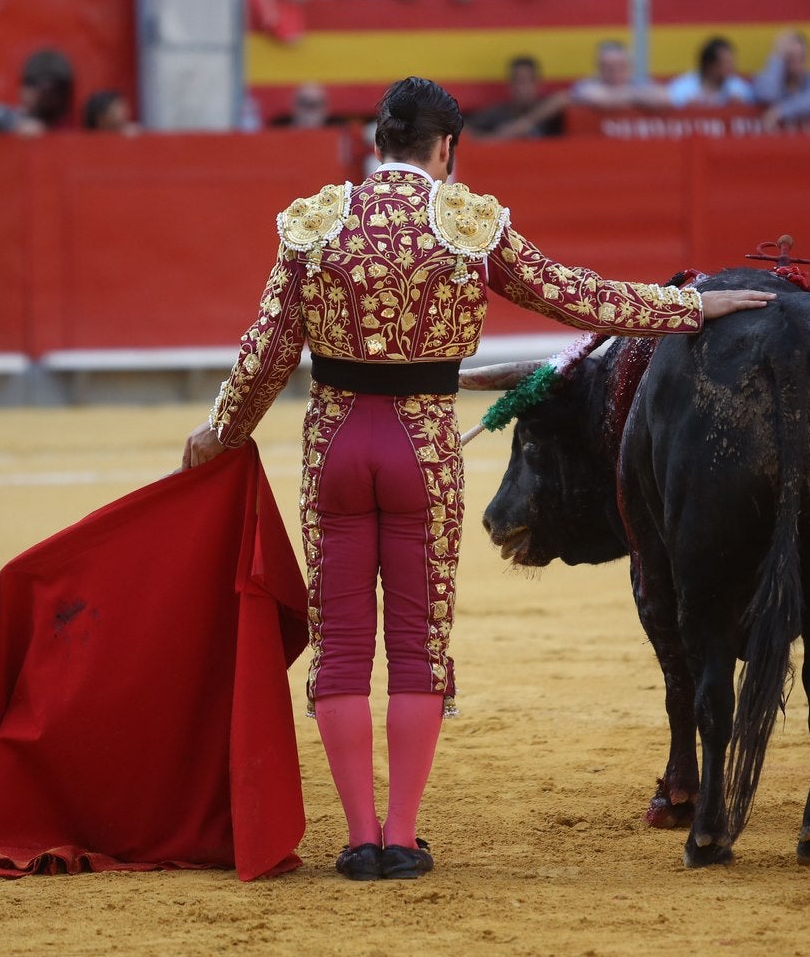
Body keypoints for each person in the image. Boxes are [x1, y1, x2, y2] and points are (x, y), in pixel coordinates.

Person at [180, 76, 776, 880]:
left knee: (346, 644)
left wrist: (220, 428)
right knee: (419, 643)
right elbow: (577, 297)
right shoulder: (466, 223)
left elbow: (267, 350)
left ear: (375, 142)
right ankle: (403, 836)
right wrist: (690, 310)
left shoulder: (315, 221)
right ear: (447, 148)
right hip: (423, 447)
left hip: (334, 450)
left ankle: (359, 839)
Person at [752, 29, 810, 132]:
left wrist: (780, 111)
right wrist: (777, 56)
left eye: (801, 57)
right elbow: (766, 94)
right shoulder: (768, 79)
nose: (797, 62)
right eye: (791, 57)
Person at [468, 55, 567, 140]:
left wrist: (525, 123)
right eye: (518, 81)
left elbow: (565, 98)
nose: (522, 88)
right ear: (510, 85)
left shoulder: (550, 115)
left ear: (537, 84)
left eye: (528, 81)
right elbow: (466, 133)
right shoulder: (496, 113)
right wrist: (500, 137)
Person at [0, 48, 74, 136]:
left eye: (56, 92)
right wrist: (17, 126)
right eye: (44, 92)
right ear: (25, 89)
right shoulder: (5, 116)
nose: (49, 100)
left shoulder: (67, 126)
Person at [570, 39, 669, 109]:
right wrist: (638, 96)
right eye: (609, 67)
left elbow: (665, 97)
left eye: (621, 66)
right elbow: (599, 100)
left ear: (630, 66)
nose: (615, 71)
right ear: (598, 67)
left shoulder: (640, 82)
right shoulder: (587, 85)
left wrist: (621, 96)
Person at [667, 36, 755, 108]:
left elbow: (757, 102)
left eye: (732, 62)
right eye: (726, 63)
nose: (732, 67)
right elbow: (668, 100)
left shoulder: (738, 88)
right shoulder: (684, 87)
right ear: (709, 65)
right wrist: (684, 108)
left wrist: (743, 105)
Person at [270, 82, 342, 129]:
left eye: (316, 104)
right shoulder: (277, 131)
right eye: (304, 103)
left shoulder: (338, 136)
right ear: (293, 107)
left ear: (326, 110)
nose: (310, 110)